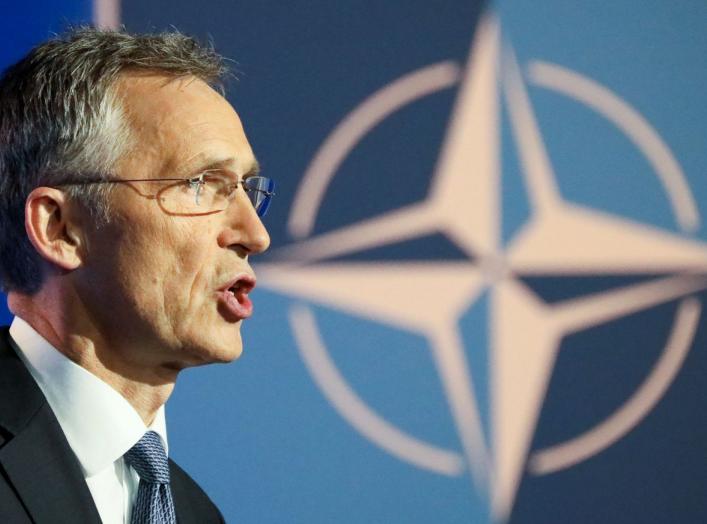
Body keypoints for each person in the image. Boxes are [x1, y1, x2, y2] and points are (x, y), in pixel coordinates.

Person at [0, 27, 272, 523]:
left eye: (247, 190)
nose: (254, 235)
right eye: (201, 184)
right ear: (60, 229)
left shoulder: (196, 514)